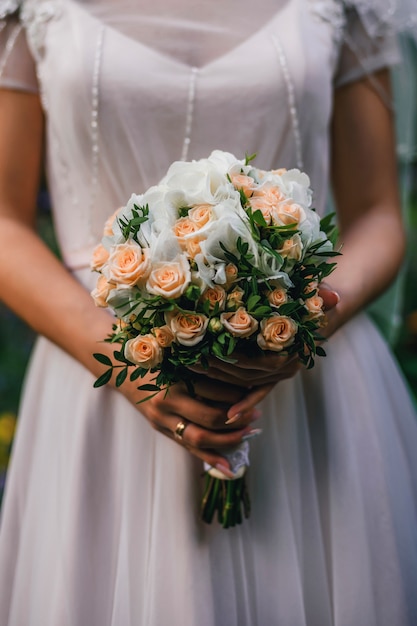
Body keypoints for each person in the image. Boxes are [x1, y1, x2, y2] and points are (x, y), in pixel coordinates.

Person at [0, 0, 416, 624]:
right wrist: (127, 362)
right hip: (98, 373)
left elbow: (379, 212)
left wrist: (302, 322)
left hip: (310, 389)